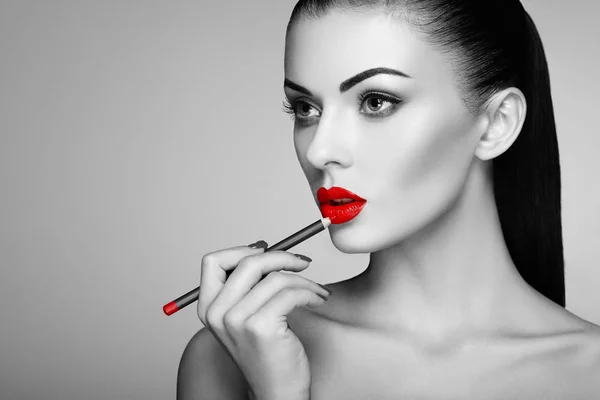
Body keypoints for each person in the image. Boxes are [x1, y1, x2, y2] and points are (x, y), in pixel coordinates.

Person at [177, 1, 600, 399]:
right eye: (305, 108)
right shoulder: (232, 354)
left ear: (495, 124)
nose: (319, 150)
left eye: (375, 102)